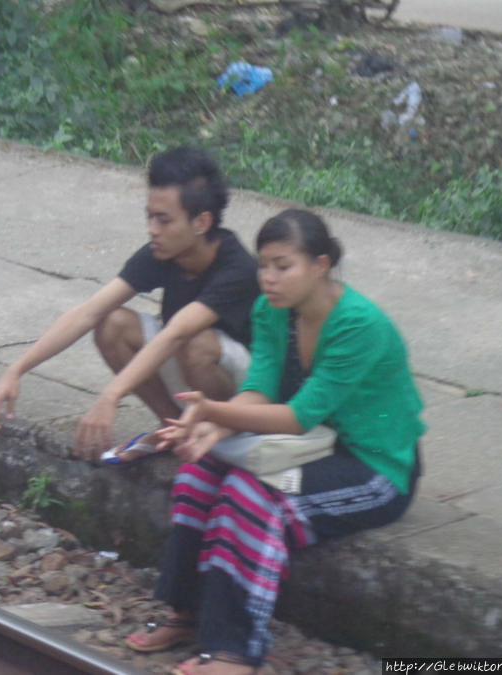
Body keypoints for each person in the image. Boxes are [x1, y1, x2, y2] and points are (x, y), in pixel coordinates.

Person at [125, 208, 425, 675]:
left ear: (320, 265)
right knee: (199, 472)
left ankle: (234, 652)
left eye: (283, 266)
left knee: (253, 496)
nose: (268, 278)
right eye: (264, 264)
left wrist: (210, 410)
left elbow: (297, 417)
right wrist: (212, 428)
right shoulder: (272, 311)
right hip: (312, 447)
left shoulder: (358, 325)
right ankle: (187, 614)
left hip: (372, 466)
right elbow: (260, 388)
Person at [0, 147, 260, 460]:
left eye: (164, 220)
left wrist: (111, 394)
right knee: (112, 324)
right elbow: (89, 312)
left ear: (201, 222)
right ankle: (171, 428)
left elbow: (178, 333)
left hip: (248, 393)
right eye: (149, 217)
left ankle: (214, 435)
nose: (152, 229)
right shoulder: (163, 252)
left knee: (194, 341)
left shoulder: (237, 268)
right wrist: (17, 369)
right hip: (188, 365)